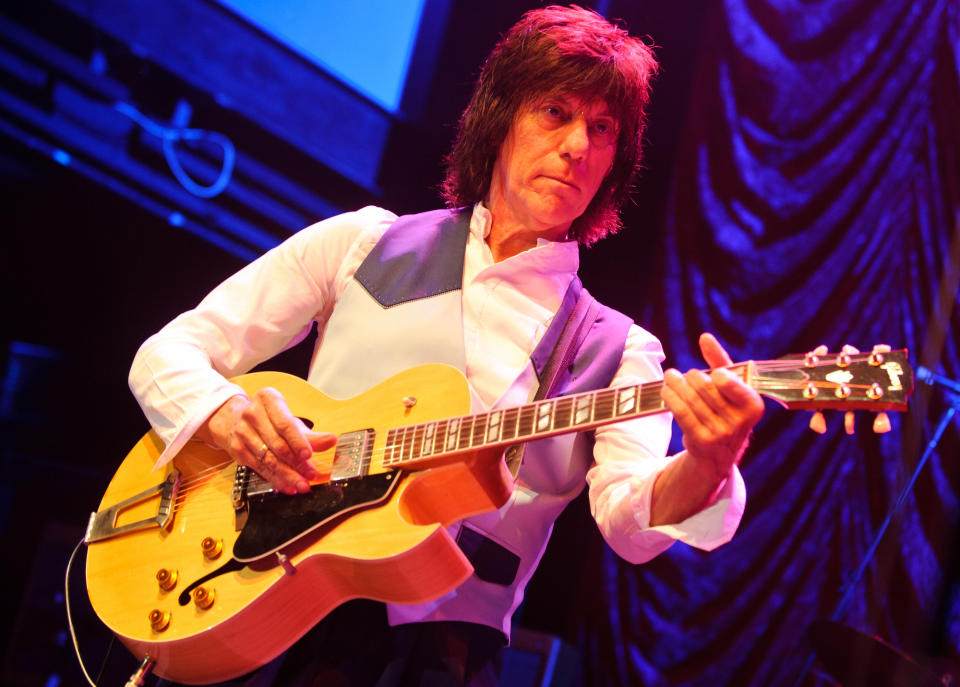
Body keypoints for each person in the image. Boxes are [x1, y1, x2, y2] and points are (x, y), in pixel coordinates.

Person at [132, 5, 765, 686]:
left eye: (602, 128)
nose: (579, 144)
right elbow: (168, 353)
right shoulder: (363, 242)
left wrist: (707, 462)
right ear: (500, 118)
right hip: (255, 596)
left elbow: (629, 524)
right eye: (555, 112)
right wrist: (225, 415)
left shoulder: (619, 350)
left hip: (438, 661)